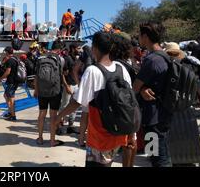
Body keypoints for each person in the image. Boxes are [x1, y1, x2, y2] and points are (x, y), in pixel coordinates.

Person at [57, 32, 135, 167]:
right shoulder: (121, 68)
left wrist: (59, 117)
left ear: (94, 49)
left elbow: (77, 102)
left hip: (100, 134)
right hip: (119, 131)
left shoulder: (93, 70)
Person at [133, 22, 172, 167]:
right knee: (160, 153)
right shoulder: (164, 56)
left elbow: (135, 87)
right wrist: (144, 89)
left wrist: (141, 89)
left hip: (152, 118)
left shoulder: (151, 59)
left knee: (157, 157)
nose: (138, 38)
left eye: (140, 35)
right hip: (164, 113)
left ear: (145, 37)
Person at [109, 33, 138, 167]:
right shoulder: (131, 62)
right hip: (132, 106)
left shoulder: (116, 65)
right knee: (131, 140)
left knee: (127, 142)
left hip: (122, 106)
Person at [34, 40, 70, 147]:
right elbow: (62, 75)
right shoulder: (61, 59)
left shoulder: (40, 58)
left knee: (42, 114)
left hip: (42, 91)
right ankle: (52, 140)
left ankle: (40, 138)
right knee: (53, 115)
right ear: (59, 49)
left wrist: (36, 90)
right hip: (55, 91)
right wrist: (67, 86)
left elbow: (36, 76)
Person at [0, 47, 20, 121]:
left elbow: (8, 72)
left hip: (12, 81)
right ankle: (10, 112)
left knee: (11, 98)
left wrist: (0, 78)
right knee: (6, 96)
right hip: (15, 81)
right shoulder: (15, 58)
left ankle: (13, 116)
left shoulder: (10, 60)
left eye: (5, 52)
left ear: (7, 52)